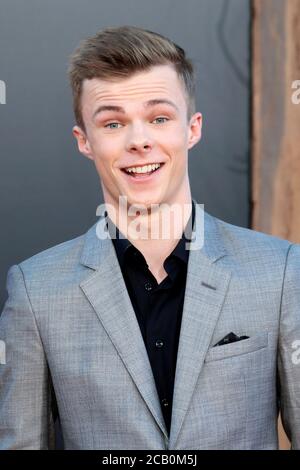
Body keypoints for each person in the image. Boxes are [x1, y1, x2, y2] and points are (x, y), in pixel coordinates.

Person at [0, 25, 299, 450]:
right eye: (113, 122)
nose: (139, 141)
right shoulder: (36, 291)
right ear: (84, 141)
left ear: (192, 129)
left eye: (159, 118)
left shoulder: (282, 271)